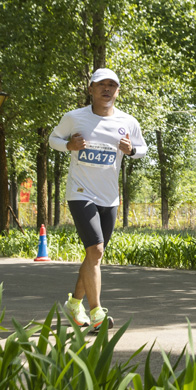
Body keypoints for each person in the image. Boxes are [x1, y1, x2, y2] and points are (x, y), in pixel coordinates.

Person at [49, 68, 147, 332]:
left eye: (112, 85)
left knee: (93, 255)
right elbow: (53, 139)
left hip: (109, 198)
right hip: (81, 193)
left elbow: (143, 148)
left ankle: (74, 305)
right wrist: (69, 146)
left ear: (118, 91)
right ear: (90, 89)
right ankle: (97, 314)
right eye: (101, 85)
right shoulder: (74, 117)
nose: (107, 89)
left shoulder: (128, 121)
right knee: (97, 250)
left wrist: (132, 150)